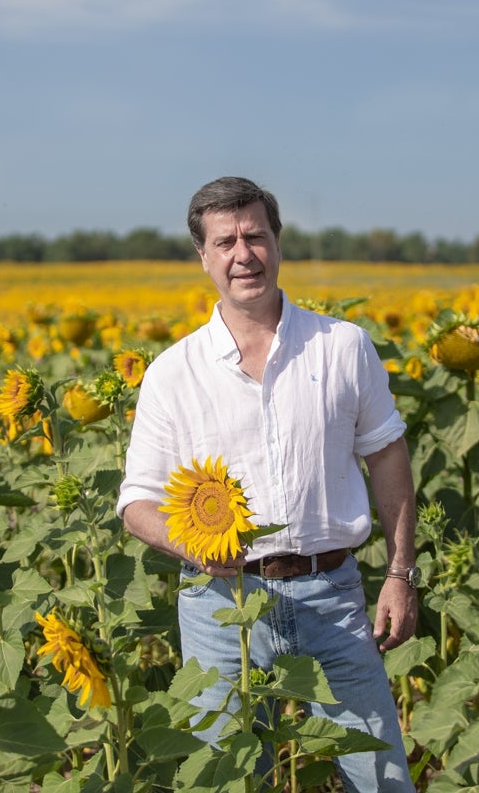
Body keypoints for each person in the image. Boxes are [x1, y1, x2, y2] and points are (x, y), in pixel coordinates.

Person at [117, 176, 419, 790]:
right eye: (224, 241)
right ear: (203, 256)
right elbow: (135, 501)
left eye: (254, 235)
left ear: (278, 243)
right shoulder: (173, 373)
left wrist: (399, 572)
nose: (242, 254)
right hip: (218, 606)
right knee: (225, 781)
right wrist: (191, 544)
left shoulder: (342, 347)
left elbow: (388, 457)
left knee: (381, 777)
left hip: (331, 594)